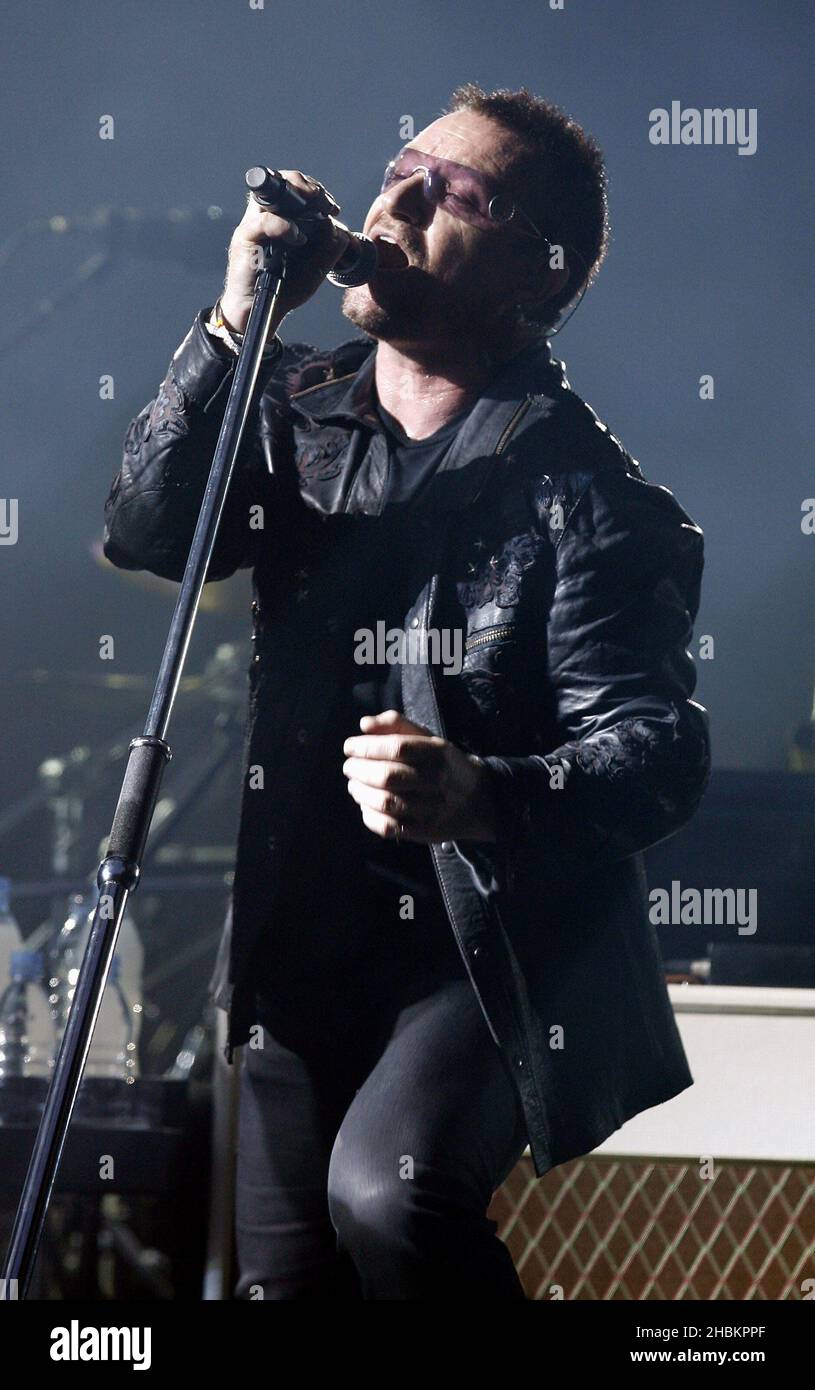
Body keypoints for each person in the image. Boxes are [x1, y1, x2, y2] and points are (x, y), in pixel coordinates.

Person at [103, 83, 711, 1300]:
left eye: (456, 193)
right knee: (285, 1281)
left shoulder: (588, 498)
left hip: (489, 948)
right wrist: (233, 321)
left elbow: (654, 748)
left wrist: (482, 789)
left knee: (389, 1193)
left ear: (535, 274)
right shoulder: (295, 413)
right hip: (302, 926)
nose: (398, 198)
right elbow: (149, 530)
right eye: (400, 170)